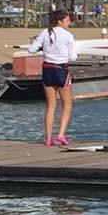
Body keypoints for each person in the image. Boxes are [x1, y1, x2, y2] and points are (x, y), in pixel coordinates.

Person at [28, 9, 77, 147]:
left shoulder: (45, 33)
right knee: (67, 105)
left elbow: (31, 50)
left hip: (47, 70)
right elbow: (72, 57)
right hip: (61, 70)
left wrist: (43, 46)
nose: (69, 23)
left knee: (51, 106)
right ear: (60, 21)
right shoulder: (68, 36)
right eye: (67, 21)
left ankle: (48, 138)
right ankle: (60, 135)